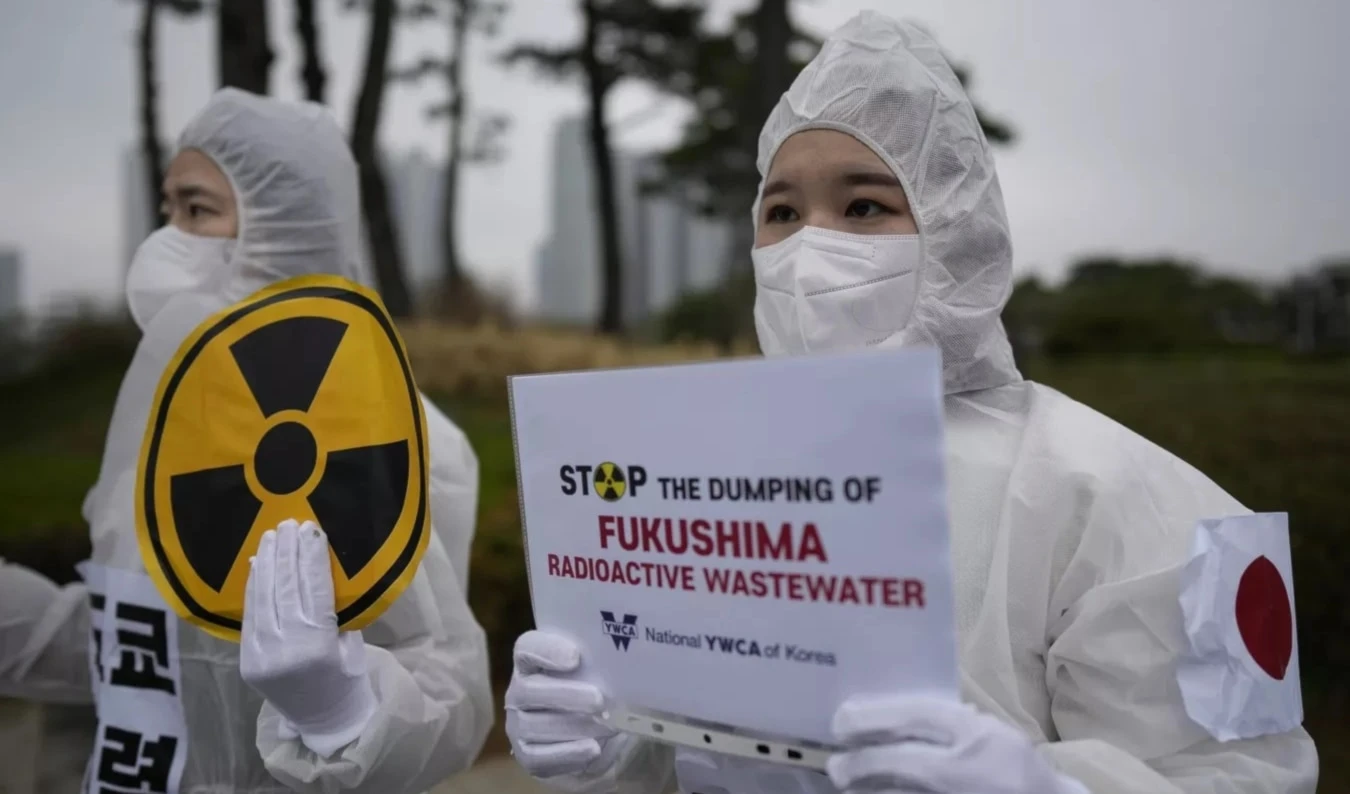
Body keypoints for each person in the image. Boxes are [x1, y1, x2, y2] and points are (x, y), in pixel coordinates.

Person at [502, 12, 1319, 794]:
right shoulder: (703, 471)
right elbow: (709, 731)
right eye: (781, 211)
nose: (810, 247)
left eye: (863, 206)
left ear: (956, 226)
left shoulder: (1126, 494)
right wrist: (618, 730)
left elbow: (1246, 770)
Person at [1, 88, 492, 793]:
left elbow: (447, 688)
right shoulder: (174, 422)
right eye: (167, 210)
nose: (166, 239)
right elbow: (146, 643)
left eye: (197, 209)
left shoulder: (394, 438)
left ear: (287, 230)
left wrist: (342, 710)